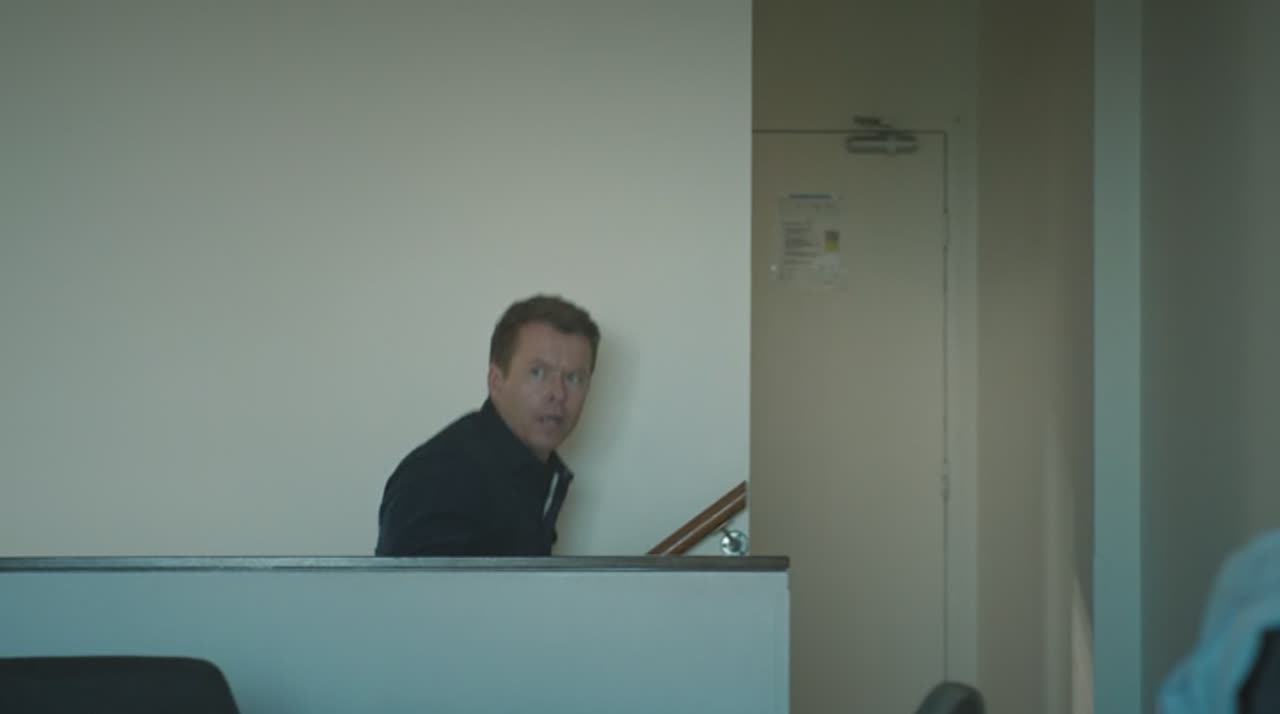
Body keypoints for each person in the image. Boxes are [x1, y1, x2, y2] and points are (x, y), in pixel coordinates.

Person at [375, 294, 600, 556]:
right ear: (496, 380)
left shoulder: (533, 473)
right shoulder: (440, 474)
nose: (558, 394)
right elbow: (416, 584)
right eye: (538, 373)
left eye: (574, 378)